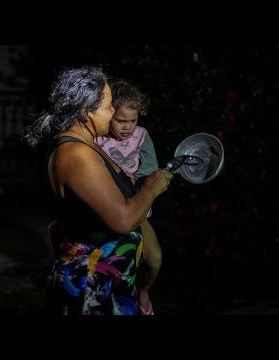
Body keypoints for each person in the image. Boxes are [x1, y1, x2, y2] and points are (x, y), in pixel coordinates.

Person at [22, 66, 173, 315]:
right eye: (109, 106)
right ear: (86, 112)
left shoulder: (86, 143)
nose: (114, 111)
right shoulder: (76, 154)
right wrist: (150, 189)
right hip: (93, 289)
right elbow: (123, 220)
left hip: (110, 282)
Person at [95, 79, 161, 316]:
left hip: (136, 208)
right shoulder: (98, 138)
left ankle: (143, 291)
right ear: (109, 115)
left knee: (154, 258)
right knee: (113, 264)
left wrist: (143, 180)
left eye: (132, 121)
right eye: (121, 121)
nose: (127, 127)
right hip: (109, 209)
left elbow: (151, 168)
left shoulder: (141, 136)